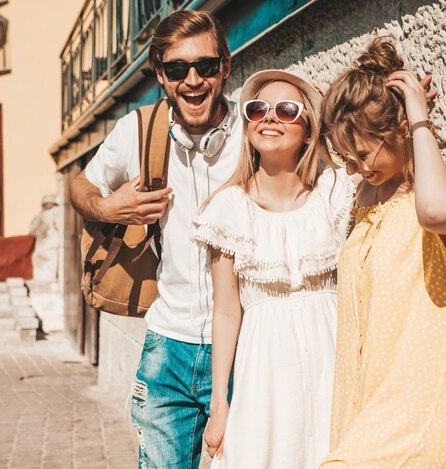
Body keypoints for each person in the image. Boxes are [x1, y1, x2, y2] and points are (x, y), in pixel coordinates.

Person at [69, 10, 242, 468]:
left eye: (205, 66)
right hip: (168, 348)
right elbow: (79, 185)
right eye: (177, 69)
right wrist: (106, 208)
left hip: (247, 347)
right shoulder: (138, 130)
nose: (193, 80)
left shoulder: (254, 131)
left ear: (225, 67)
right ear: (160, 75)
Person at [319, 37, 446, 468]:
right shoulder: (365, 209)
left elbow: (435, 212)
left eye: (361, 156)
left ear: (396, 132)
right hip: (369, 411)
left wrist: (417, 119)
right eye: (346, 159)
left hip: (427, 407)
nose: (355, 169)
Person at [191, 69, 356, 468]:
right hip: (265, 374)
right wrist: (219, 406)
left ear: (309, 128)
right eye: (257, 109)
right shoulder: (227, 209)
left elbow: (376, 155)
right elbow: (227, 312)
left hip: (334, 366)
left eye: (286, 110)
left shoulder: (336, 193)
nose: (269, 117)